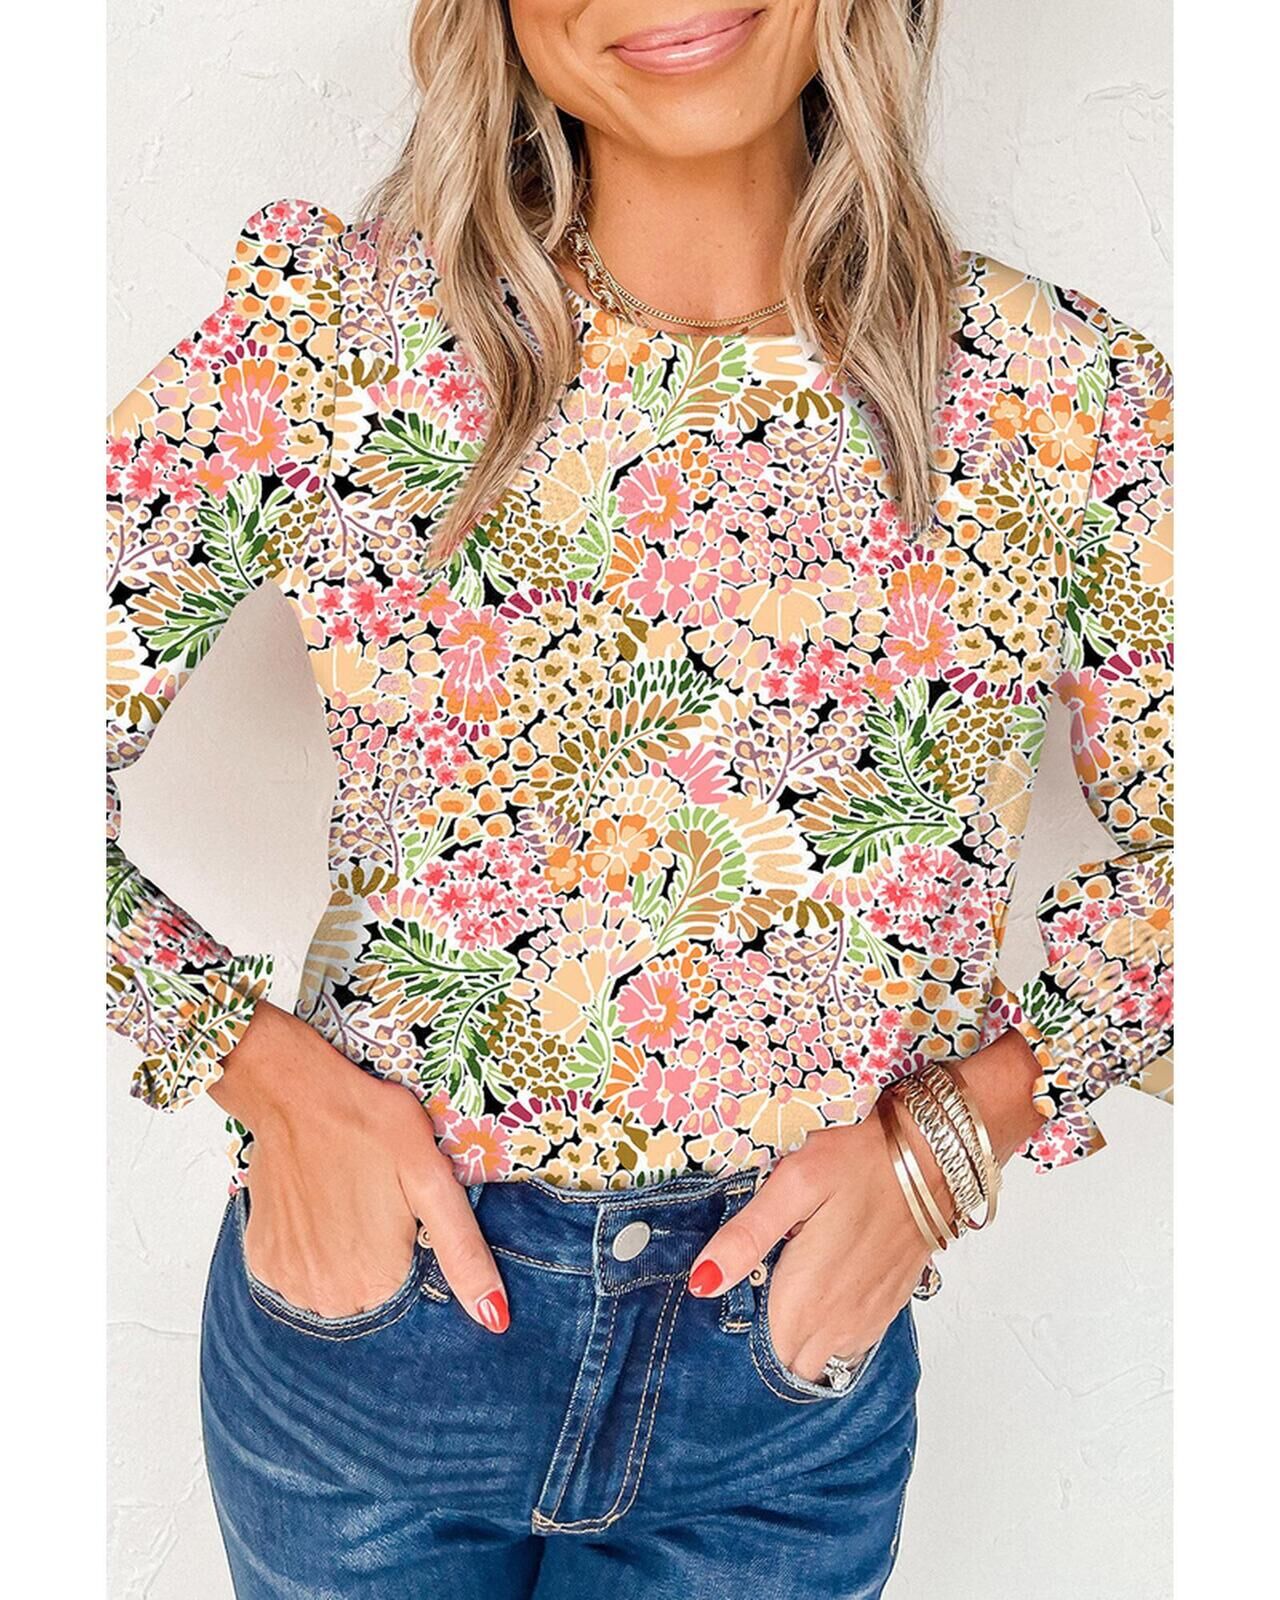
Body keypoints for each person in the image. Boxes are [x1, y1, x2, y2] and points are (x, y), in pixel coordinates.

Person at [105, 2, 1174, 1595]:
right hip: (370, 1354)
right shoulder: (339, 343)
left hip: (783, 1400)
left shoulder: (1061, 400)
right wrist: (258, 1068)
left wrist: (962, 1137)